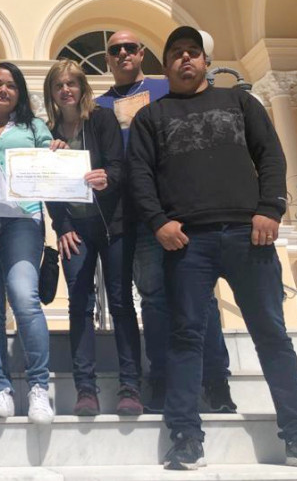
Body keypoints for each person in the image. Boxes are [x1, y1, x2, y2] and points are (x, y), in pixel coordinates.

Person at [128, 26, 297, 471]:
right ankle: (186, 438)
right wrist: (158, 222)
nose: (185, 59)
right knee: (185, 338)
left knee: (272, 336)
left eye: (193, 52)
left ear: (206, 62)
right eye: (176, 53)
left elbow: (271, 156)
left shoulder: (240, 103)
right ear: (165, 65)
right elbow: (140, 176)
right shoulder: (151, 117)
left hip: (250, 236)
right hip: (188, 243)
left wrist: (271, 208)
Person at [95, 30, 235, 414]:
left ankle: (215, 379)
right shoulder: (100, 106)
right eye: (115, 49)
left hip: (180, 208)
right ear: (107, 58)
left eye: (130, 47)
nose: (123, 53)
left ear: (142, 53)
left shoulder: (166, 88)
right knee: (154, 300)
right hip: (135, 216)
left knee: (199, 297)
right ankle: (161, 378)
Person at [43, 59, 143, 416]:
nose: (65, 90)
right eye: (58, 85)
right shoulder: (49, 132)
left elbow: (119, 166)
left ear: (82, 87)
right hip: (75, 230)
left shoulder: (101, 119)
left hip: (112, 225)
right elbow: (47, 185)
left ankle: (130, 386)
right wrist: (61, 225)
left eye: (71, 83)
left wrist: (107, 178)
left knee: (121, 302)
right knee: (79, 305)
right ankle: (86, 389)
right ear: (51, 92)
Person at [0, 62, 60, 424]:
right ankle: (0, 389)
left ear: (19, 92)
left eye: (10, 85)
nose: (3, 89)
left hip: (23, 221)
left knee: (24, 299)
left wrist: (57, 151)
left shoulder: (33, 127)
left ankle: (38, 387)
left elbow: (55, 169)